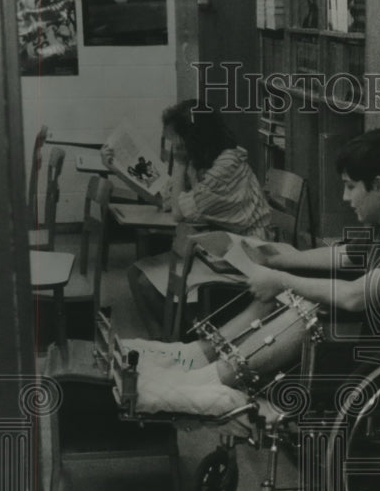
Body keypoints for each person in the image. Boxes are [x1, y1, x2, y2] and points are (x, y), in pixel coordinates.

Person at [124, 127, 380, 403]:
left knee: (309, 307)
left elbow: (353, 298)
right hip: (376, 339)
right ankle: (200, 356)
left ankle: (214, 377)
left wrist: (283, 278)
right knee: (286, 292)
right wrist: (279, 259)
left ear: (378, 187)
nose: (345, 199)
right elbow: (341, 254)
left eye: (350, 187)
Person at [103, 100, 272, 339]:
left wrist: (180, 163)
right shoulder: (201, 159)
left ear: (193, 137)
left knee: (146, 284)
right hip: (218, 247)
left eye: (176, 141)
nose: (173, 147)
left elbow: (179, 213)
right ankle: (171, 342)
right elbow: (165, 197)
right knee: (137, 276)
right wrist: (115, 168)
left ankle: (177, 343)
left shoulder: (227, 164)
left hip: (245, 255)